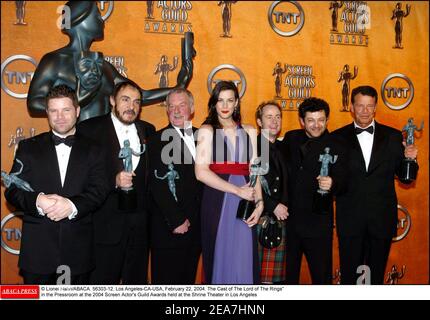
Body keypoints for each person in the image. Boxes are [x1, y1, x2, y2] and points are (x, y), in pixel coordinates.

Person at [4, 85, 109, 284]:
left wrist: (71, 205)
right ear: (47, 113)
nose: (60, 116)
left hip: (78, 254)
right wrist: (37, 201)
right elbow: (12, 190)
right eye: (54, 110)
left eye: (66, 110)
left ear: (77, 111)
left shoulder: (95, 149)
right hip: (37, 256)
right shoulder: (28, 148)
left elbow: (100, 189)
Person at [27, 1, 194, 122]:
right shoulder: (54, 61)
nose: (102, 20)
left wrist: (178, 86)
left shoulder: (105, 66)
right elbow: (34, 103)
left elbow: (139, 94)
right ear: (80, 18)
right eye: (97, 15)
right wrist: (74, 102)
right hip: (75, 148)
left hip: (104, 148)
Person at [332, 85, 418, 285]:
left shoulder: (394, 136)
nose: (364, 111)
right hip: (350, 220)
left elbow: (405, 179)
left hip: (381, 220)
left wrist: (410, 160)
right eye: (360, 106)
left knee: (376, 277)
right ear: (352, 107)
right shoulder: (337, 137)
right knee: (349, 279)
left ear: (376, 107)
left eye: (369, 106)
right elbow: (334, 180)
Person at [77, 80, 156, 284]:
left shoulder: (148, 130)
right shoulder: (88, 130)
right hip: (104, 227)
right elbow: (80, 176)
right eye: (125, 99)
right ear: (112, 100)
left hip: (139, 230)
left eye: (137, 102)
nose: (131, 107)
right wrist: (113, 181)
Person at [195, 81, 263, 284]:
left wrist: (260, 204)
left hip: (245, 203)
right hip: (218, 201)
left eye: (230, 100)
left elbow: (255, 171)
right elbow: (200, 172)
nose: (225, 105)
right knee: (219, 257)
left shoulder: (250, 131)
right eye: (220, 100)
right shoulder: (207, 130)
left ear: (236, 103)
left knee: (244, 259)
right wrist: (236, 190)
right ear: (214, 103)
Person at [280, 97, 346, 284]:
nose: (316, 125)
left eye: (321, 120)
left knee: (321, 278)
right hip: (289, 222)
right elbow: (274, 165)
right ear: (302, 121)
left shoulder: (337, 144)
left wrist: (332, 183)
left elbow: (345, 180)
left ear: (327, 120)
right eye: (311, 120)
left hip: (318, 224)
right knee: (287, 279)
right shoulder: (291, 138)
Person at [147, 88, 202, 284]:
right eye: (171, 106)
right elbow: (157, 185)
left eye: (182, 105)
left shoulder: (204, 137)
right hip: (169, 228)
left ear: (192, 108)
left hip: (199, 228)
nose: (176, 111)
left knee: (188, 282)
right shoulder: (155, 140)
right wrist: (176, 219)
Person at [255, 101, 289, 284]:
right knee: (261, 282)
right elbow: (248, 183)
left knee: (277, 284)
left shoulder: (286, 147)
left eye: (278, 116)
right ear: (259, 122)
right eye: (269, 117)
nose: (274, 121)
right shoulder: (252, 147)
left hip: (283, 222)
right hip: (262, 219)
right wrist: (272, 205)